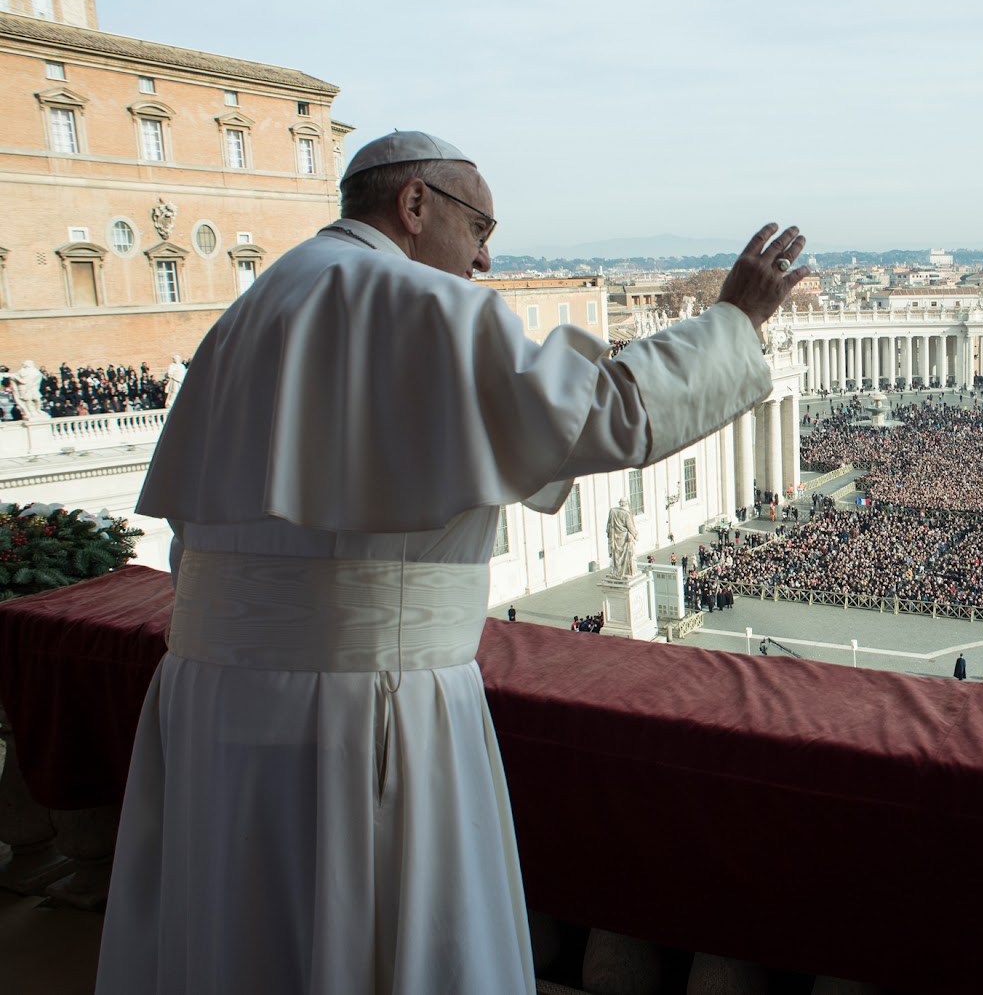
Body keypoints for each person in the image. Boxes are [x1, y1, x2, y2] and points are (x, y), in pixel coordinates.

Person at [98, 130, 808, 995]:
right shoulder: (419, 303)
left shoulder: (253, 307)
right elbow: (608, 411)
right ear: (415, 204)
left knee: (243, 936)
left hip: (212, 699)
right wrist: (734, 322)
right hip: (367, 702)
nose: (485, 254)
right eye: (480, 225)